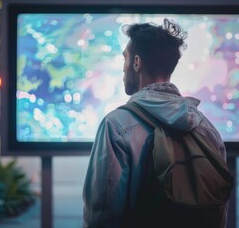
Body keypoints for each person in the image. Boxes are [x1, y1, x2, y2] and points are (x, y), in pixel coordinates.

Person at [83, 19, 228, 228]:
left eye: (125, 58)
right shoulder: (206, 129)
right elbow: (219, 210)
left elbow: (102, 216)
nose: (123, 68)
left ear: (136, 63)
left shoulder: (116, 126)